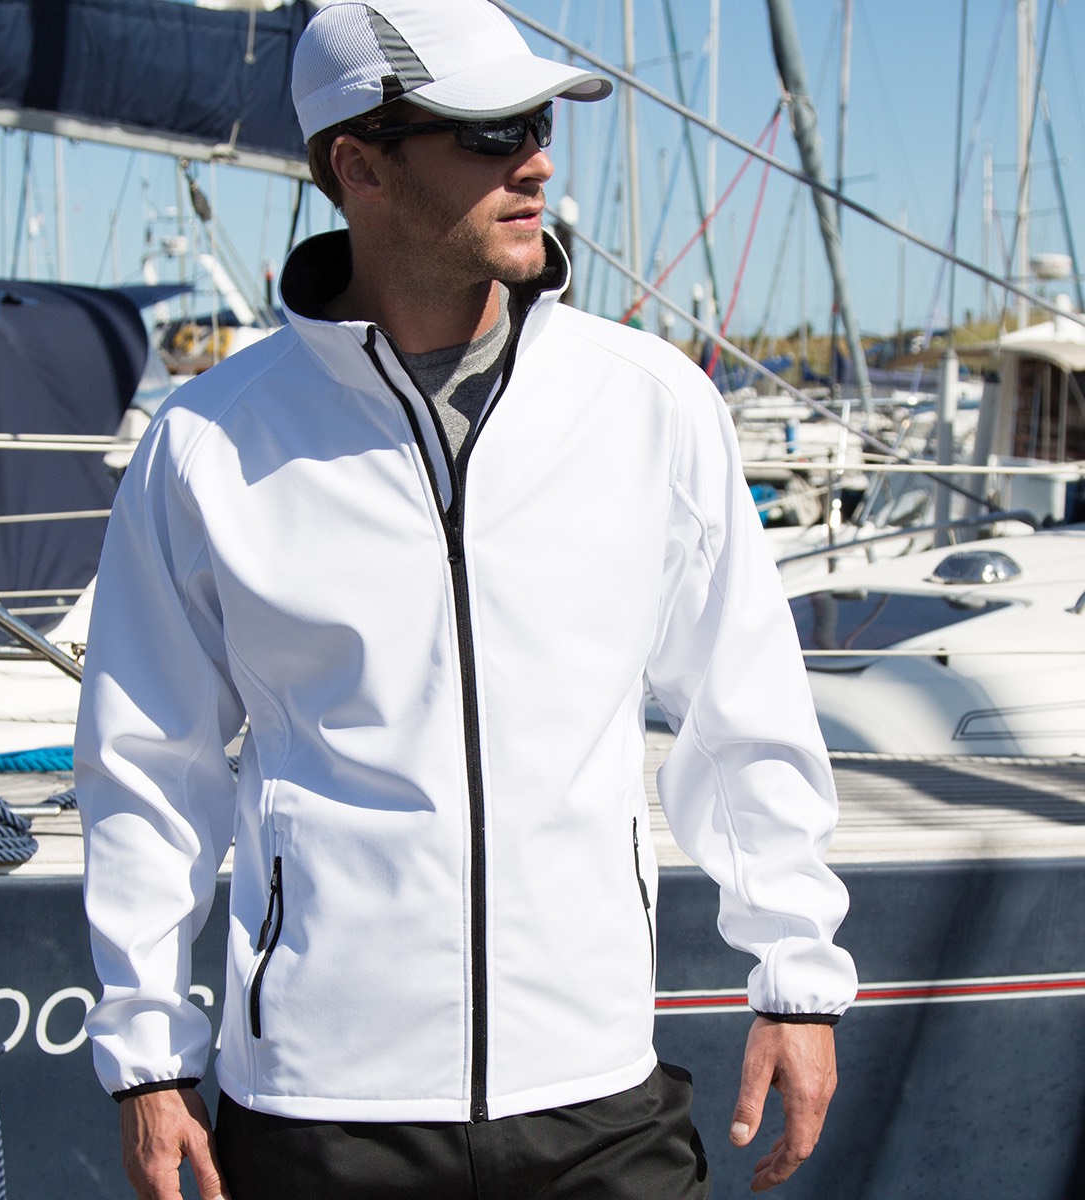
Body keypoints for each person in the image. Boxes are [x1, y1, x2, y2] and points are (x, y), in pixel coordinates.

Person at [75, 2, 858, 1197]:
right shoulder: (208, 444)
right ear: (360, 165)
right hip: (321, 1107)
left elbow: (740, 710)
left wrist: (796, 978)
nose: (535, 160)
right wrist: (146, 1055)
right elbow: (148, 763)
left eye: (538, 124)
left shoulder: (651, 406)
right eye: (490, 133)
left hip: (597, 1095)